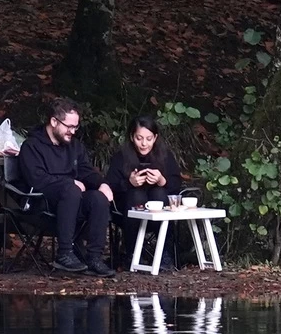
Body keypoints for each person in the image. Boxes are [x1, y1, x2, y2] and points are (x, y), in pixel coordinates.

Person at [14, 99, 112, 275]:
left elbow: (86, 172)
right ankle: (64, 253)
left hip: (71, 205)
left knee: (98, 198)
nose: (72, 132)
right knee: (71, 189)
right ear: (53, 122)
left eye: (75, 127)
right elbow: (36, 180)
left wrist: (102, 184)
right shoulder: (32, 146)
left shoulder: (74, 146)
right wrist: (69, 183)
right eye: (69, 126)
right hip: (41, 205)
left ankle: (94, 258)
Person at [105, 117, 180, 265]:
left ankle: (165, 253)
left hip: (159, 211)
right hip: (126, 213)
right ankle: (132, 253)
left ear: (155, 138)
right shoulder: (121, 157)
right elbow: (110, 186)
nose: (144, 143)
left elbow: (177, 185)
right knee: (136, 193)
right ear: (132, 137)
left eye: (149, 138)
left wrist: (162, 180)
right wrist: (129, 183)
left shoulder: (165, 156)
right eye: (139, 138)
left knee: (159, 192)